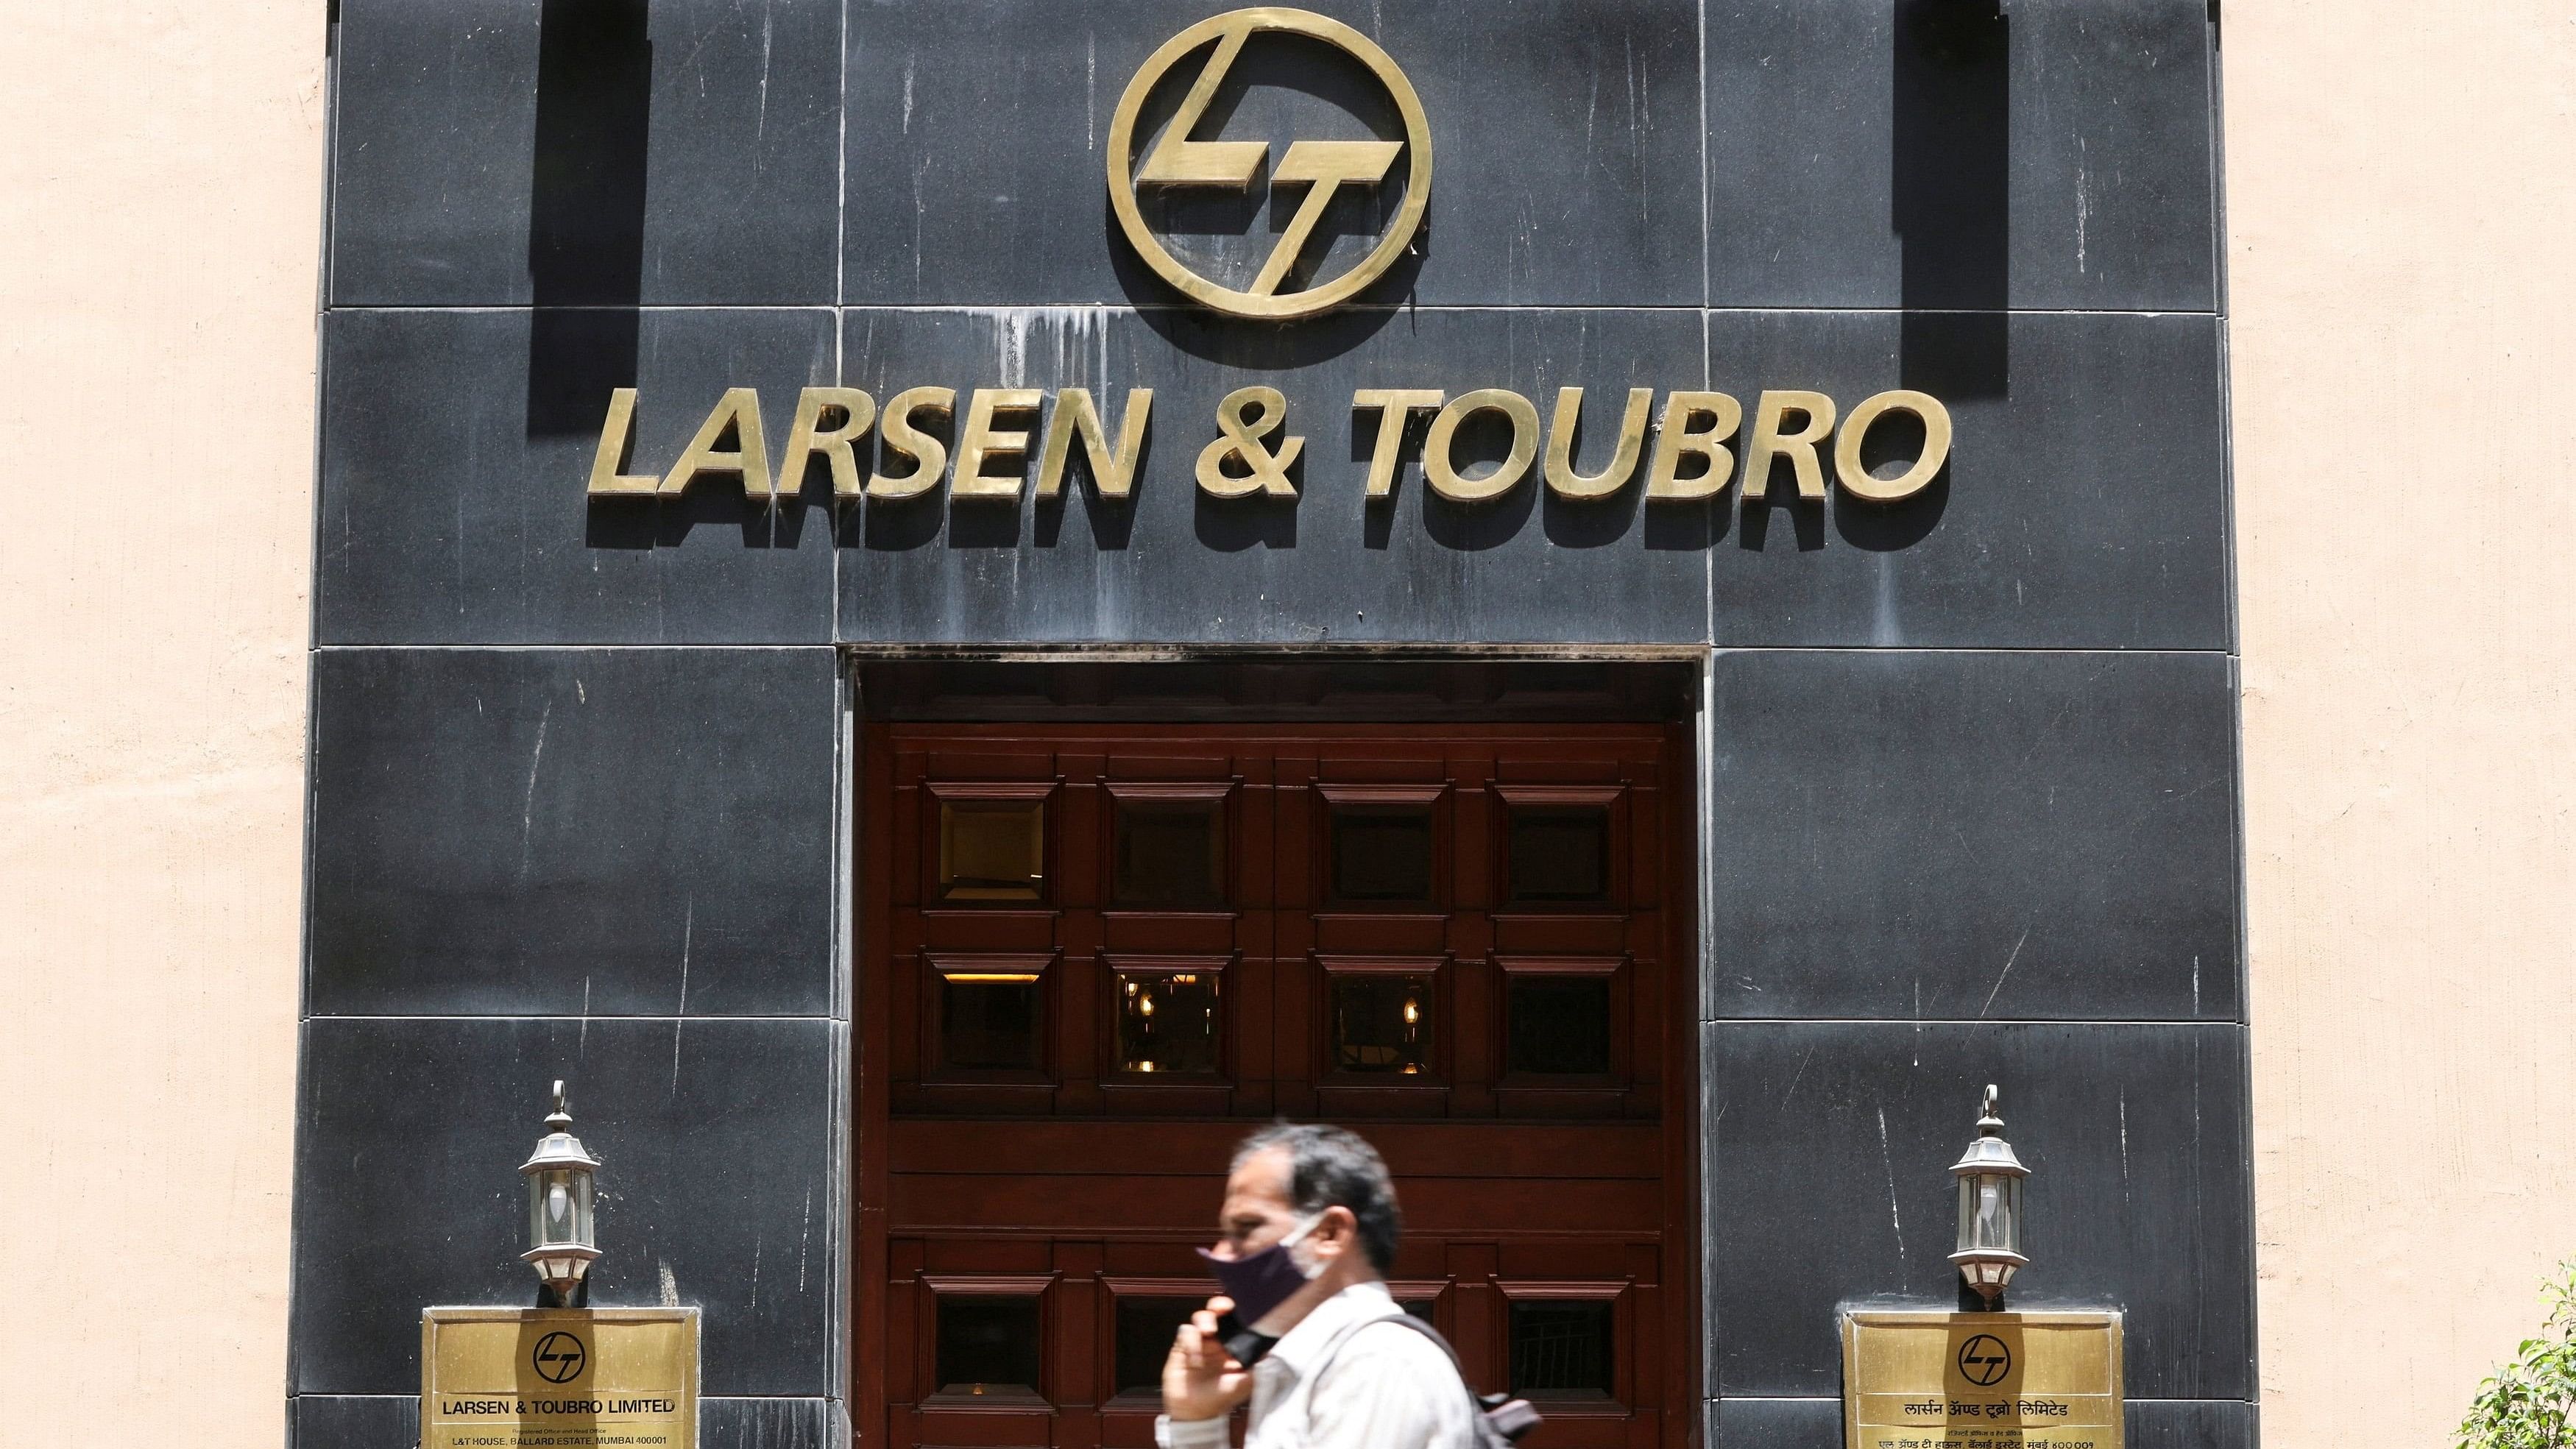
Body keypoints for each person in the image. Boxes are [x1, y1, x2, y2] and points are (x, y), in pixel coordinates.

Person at [1158, 1122, 1479, 1449]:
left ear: (1330, 1233)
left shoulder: (1374, 1361)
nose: (1223, 1253)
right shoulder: (1313, 1363)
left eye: (1247, 1227)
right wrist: (1196, 1420)